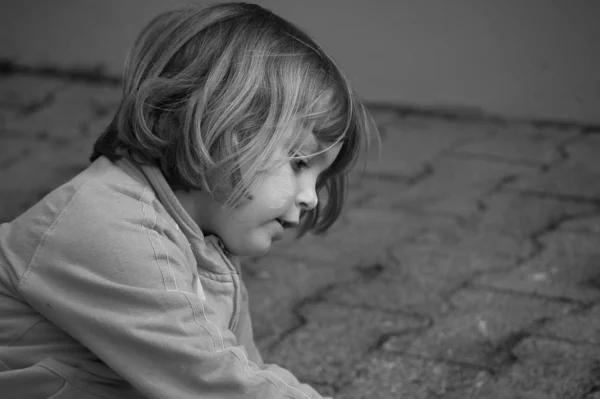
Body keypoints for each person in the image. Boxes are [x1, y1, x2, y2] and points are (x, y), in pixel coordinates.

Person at [0, 2, 374, 398]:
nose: (311, 198)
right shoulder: (109, 230)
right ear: (219, 125)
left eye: (320, 178)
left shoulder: (204, 242)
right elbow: (214, 382)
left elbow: (240, 370)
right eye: (300, 163)